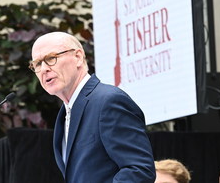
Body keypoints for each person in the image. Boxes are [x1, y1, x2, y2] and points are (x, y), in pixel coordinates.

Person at [29, 31, 156, 182]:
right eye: (37, 63)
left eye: (51, 58)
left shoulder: (108, 101)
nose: (44, 69)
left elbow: (140, 169)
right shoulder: (64, 114)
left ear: (78, 57)